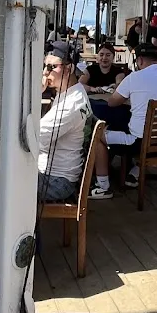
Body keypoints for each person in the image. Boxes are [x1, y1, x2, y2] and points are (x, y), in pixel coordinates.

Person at [89, 44, 157, 198]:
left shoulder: (134, 77)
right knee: (137, 128)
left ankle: (102, 186)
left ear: (139, 60)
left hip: (142, 144)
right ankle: (134, 171)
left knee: (98, 134)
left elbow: (112, 102)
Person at [36, 41, 94, 203]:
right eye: (45, 66)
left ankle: (27, 228)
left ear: (69, 69)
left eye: (51, 67)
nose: (45, 73)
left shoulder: (72, 104)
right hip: (59, 175)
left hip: (57, 181)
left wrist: (35, 94)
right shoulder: (73, 92)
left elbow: (35, 138)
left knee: (6, 181)